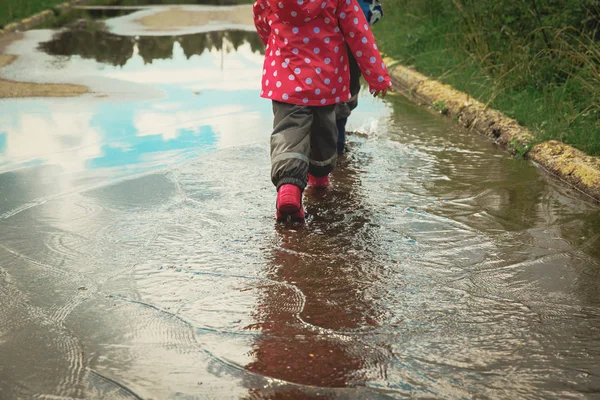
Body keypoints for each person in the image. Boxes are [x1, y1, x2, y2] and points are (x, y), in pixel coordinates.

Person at [253, 0, 392, 222]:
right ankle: (318, 181)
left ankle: (288, 188)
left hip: (285, 77)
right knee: (324, 131)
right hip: (326, 77)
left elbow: (261, 20)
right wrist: (377, 76)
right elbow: (358, 32)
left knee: (288, 131)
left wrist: (271, 44)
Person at [336, 0, 383, 154]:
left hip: (320, 49)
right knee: (342, 103)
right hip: (348, 47)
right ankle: (338, 149)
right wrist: (378, 77)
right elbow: (363, 40)